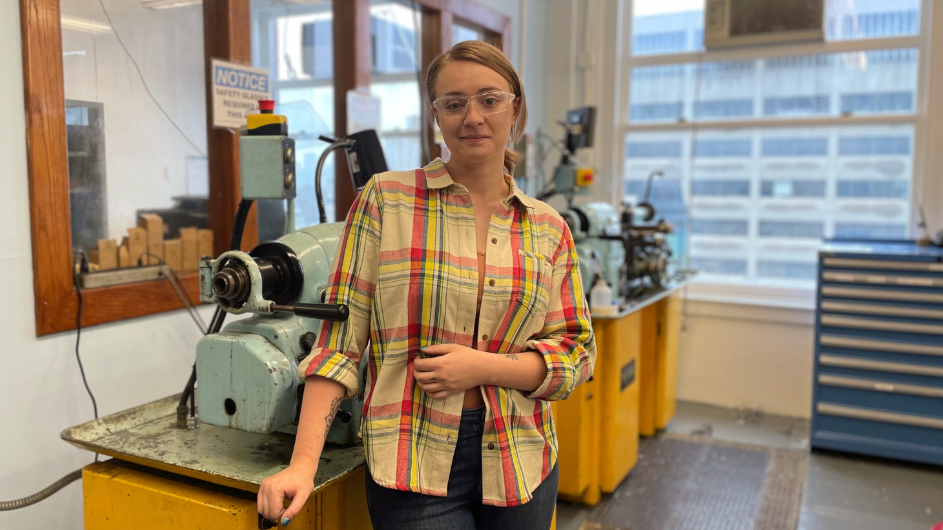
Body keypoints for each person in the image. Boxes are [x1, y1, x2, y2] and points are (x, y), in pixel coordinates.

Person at [257, 40, 596, 530]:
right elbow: (339, 346)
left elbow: (577, 355)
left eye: (490, 99)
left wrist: (482, 368)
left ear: (515, 108)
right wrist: (302, 465)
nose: (473, 116)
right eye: (454, 104)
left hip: (522, 460)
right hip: (413, 461)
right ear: (436, 115)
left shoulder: (548, 227)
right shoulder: (386, 202)